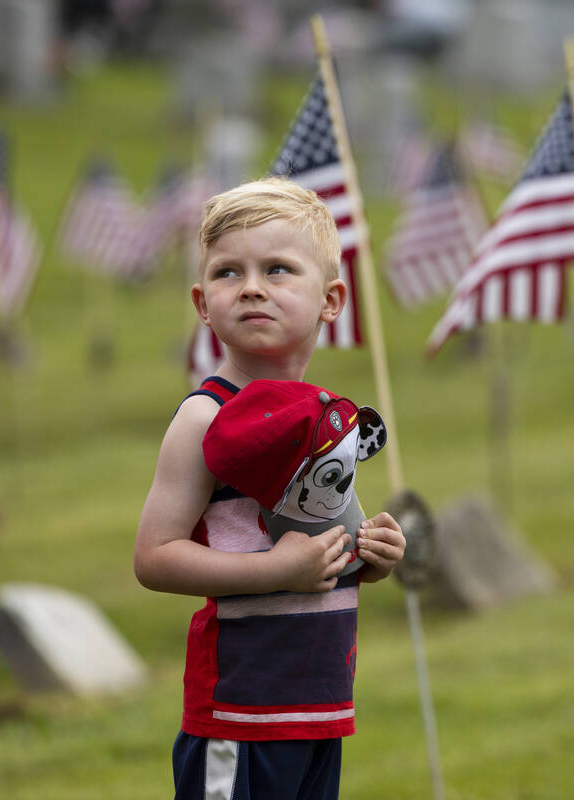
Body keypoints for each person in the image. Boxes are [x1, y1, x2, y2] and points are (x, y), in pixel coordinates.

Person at [133, 177, 406, 800]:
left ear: (331, 300)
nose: (252, 286)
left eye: (278, 269)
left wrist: (368, 557)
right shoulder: (205, 417)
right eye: (229, 273)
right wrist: (276, 570)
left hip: (319, 707)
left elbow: (311, 538)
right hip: (239, 710)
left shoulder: (324, 416)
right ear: (203, 304)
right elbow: (154, 558)